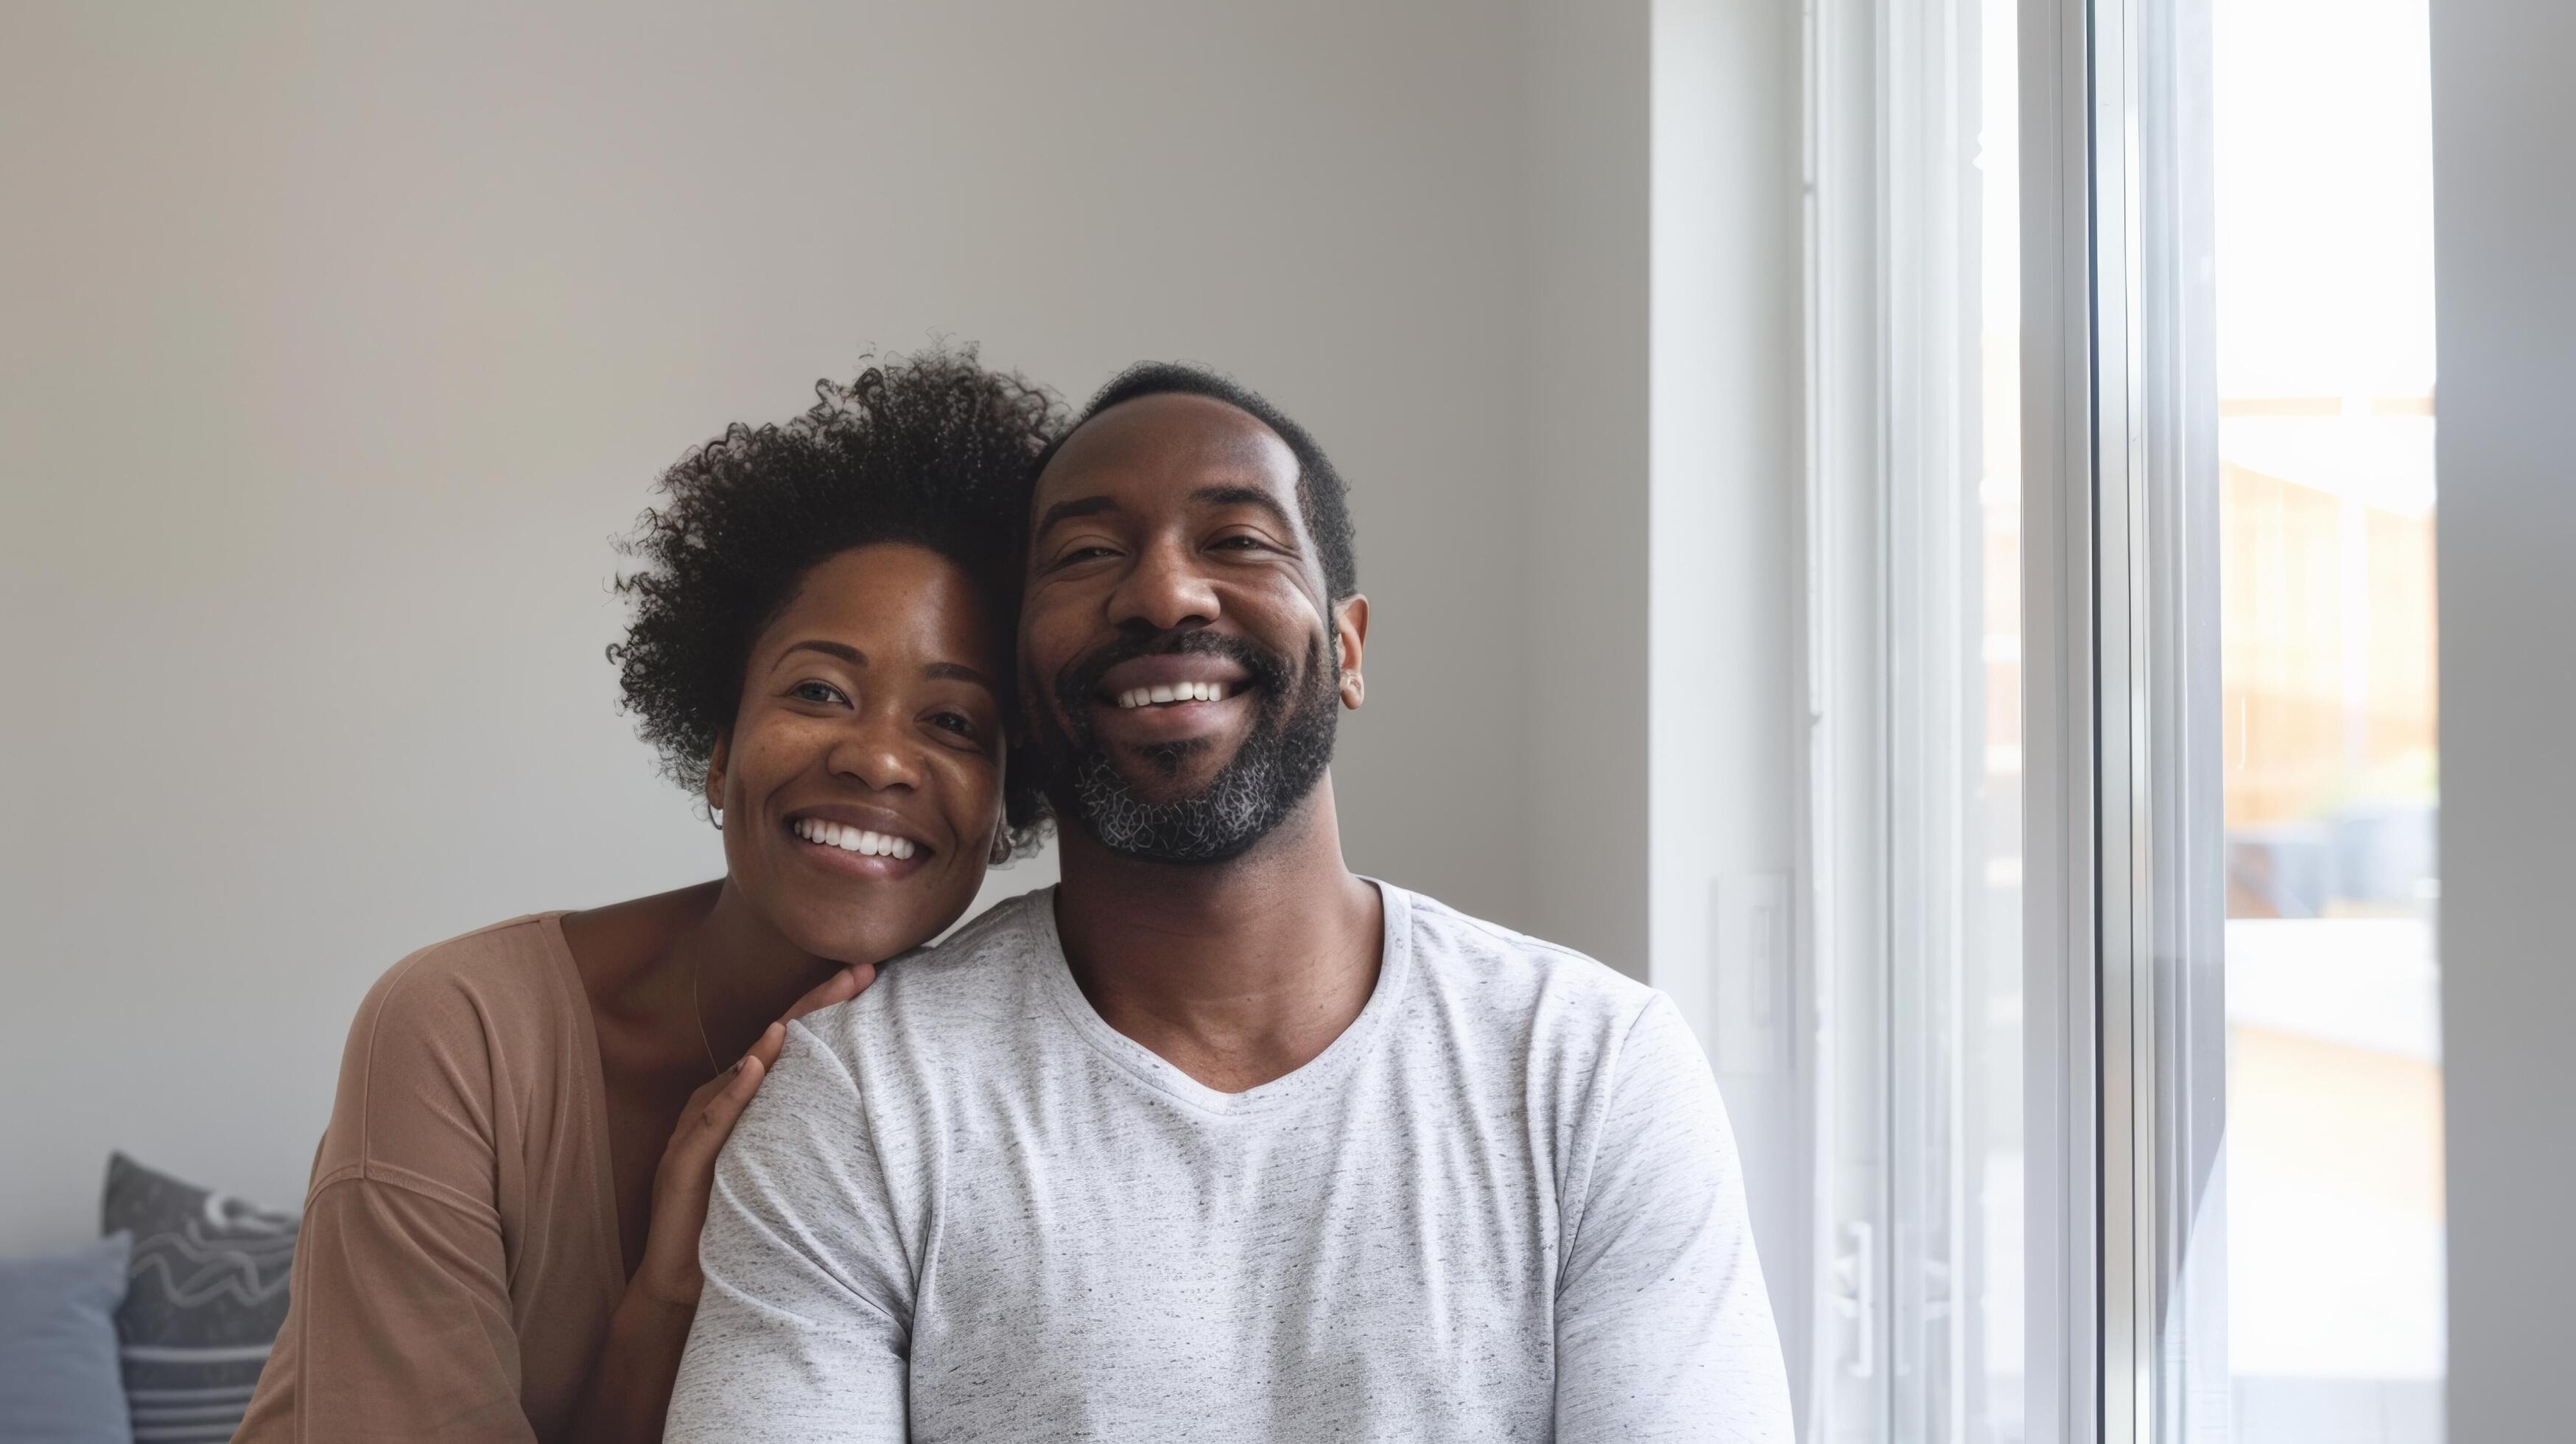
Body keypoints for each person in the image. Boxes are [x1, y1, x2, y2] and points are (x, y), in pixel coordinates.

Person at [666, 364, 1794, 1440]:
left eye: (1239, 540)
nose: (1162, 591)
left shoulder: (1589, 1070)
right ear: (1020, 678)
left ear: (1347, 650)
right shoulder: (860, 1103)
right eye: (1089, 553)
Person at [235, 348, 1059, 1443]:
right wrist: (664, 1300)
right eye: (819, 691)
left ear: (1010, 807)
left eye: (953, 724)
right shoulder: (461, 1034)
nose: (877, 761)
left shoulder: (986, 1086)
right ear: (718, 755)